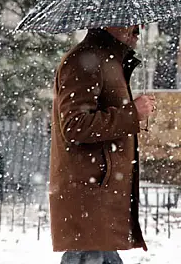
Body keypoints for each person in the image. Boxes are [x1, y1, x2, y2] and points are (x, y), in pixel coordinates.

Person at [49, 25, 156, 264]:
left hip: (101, 195)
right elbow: (75, 126)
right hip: (90, 196)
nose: (137, 31)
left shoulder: (107, 61)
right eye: (130, 22)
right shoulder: (83, 61)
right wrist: (132, 113)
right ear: (108, 21)